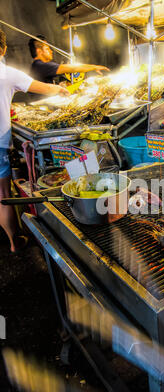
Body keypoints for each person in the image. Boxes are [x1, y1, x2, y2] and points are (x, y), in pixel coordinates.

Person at [0, 29, 70, 254]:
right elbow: (45, 88)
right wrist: (62, 89)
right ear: (3, 48)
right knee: (3, 194)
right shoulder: (7, 73)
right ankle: (14, 242)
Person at [29, 36, 110, 85]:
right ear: (39, 51)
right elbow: (73, 69)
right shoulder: (40, 66)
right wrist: (94, 67)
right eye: (47, 48)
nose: (51, 51)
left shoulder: (37, 66)